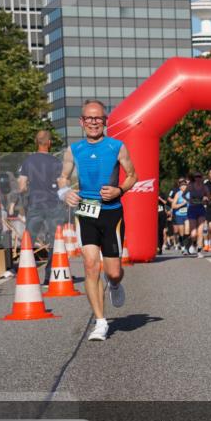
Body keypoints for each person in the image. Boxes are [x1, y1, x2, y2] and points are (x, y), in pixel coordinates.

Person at [57, 100, 137, 341]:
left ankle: (113, 284)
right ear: (82, 122)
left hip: (112, 213)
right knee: (91, 265)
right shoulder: (73, 150)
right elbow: (62, 177)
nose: (93, 122)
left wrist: (120, 190)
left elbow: (133, 175)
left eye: (98, 118)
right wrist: (65, 193)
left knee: (113, 272)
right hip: (86, 212)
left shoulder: (117, 147)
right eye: (89, 119)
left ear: (105, 122)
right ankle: (101, 322)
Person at [17, 129, 64, 282]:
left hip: (35, 205)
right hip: (53, 205)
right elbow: (62, 184)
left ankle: (27, 276)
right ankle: (50, 276)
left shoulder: (28, 161)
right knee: (54, 241)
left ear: (36, 143)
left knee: (29, 240)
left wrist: (26, 193)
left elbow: (22, 186)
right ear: (49, 143)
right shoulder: (56, 162)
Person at [186, 171, 209, 256]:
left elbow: (208, 198)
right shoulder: (190, 186)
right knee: (193, 233)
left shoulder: (204, 187)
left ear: (201, 178)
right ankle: (192, 243)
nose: (198, 178)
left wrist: (206, 199)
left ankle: (199, 251)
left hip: (201, 209)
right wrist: (189, 201)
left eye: (199, 176)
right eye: (196, 176)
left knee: (200, 231)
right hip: (192, 209)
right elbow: (184, 195)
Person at [169, 178, 189, 253]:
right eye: (182, 186)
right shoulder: (178, 194)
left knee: (187, 230)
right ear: (179, 187)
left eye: (185, 185)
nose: (183, 187)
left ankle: (187, 247)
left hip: (188, 214)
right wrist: (182, 204)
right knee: (181, 232)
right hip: (179, 215)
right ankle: (183, 246)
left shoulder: (190, 193)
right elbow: (173, 206)